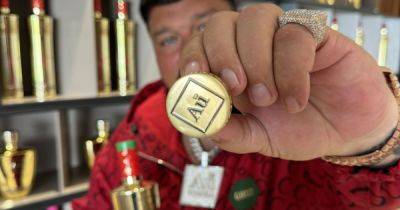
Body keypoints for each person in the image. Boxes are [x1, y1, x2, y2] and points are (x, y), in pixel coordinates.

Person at [73, 0, 400, 209]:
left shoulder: (301, 115)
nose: (190, 47)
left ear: (235, 25)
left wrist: (377, 142)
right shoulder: (132, 141)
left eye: (203, 26)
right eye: (168, 39)